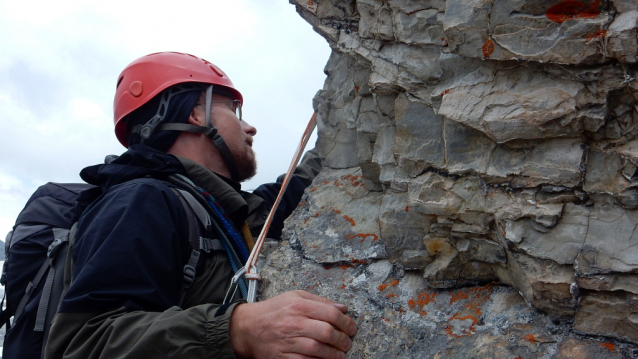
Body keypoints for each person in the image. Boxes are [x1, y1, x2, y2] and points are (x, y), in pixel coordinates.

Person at [44, 52, 357, 359]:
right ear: (197, 114)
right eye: (235, 111)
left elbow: (296, 190)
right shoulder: (143, 201)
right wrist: (238, 330)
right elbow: (84, 342)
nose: (250, 128)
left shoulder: (226, 212)